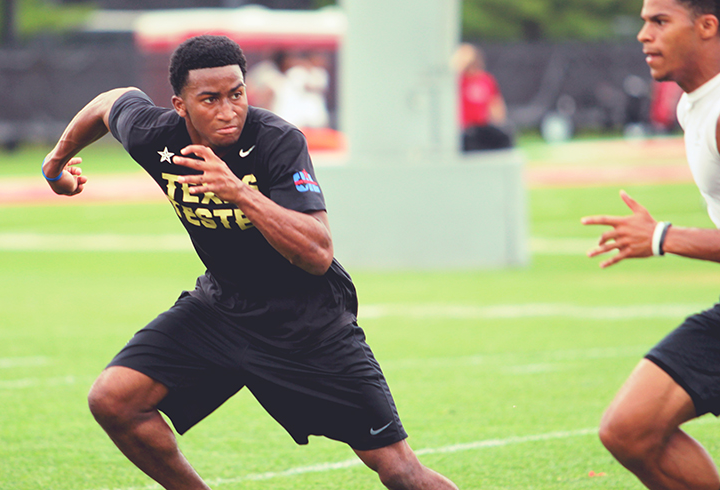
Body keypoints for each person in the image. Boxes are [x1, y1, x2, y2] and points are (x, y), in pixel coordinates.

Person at [41, 35, 458, 490]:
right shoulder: (156, 135)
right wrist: (56, 164)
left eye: (236, 94)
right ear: (180, 106)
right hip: (222, 309)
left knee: (399, 470)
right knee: (113, 400)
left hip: (306, 321)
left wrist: (239, 190)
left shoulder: (277, 141)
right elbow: (109, 103)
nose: (228, 110)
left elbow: (318, 254)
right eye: (210, 99)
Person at [582, 1, 720, 488]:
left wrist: (661, 237)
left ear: (707, 27)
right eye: (643, 21)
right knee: (629, 431)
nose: (643, 34)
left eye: (660, 21)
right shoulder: (693, 104)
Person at [452, 43, 511, 152]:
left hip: (481, 127)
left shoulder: (486, 79)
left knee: (504, 138)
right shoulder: (456, 81)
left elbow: (495, 104)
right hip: (463, 129)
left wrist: (500, 123)